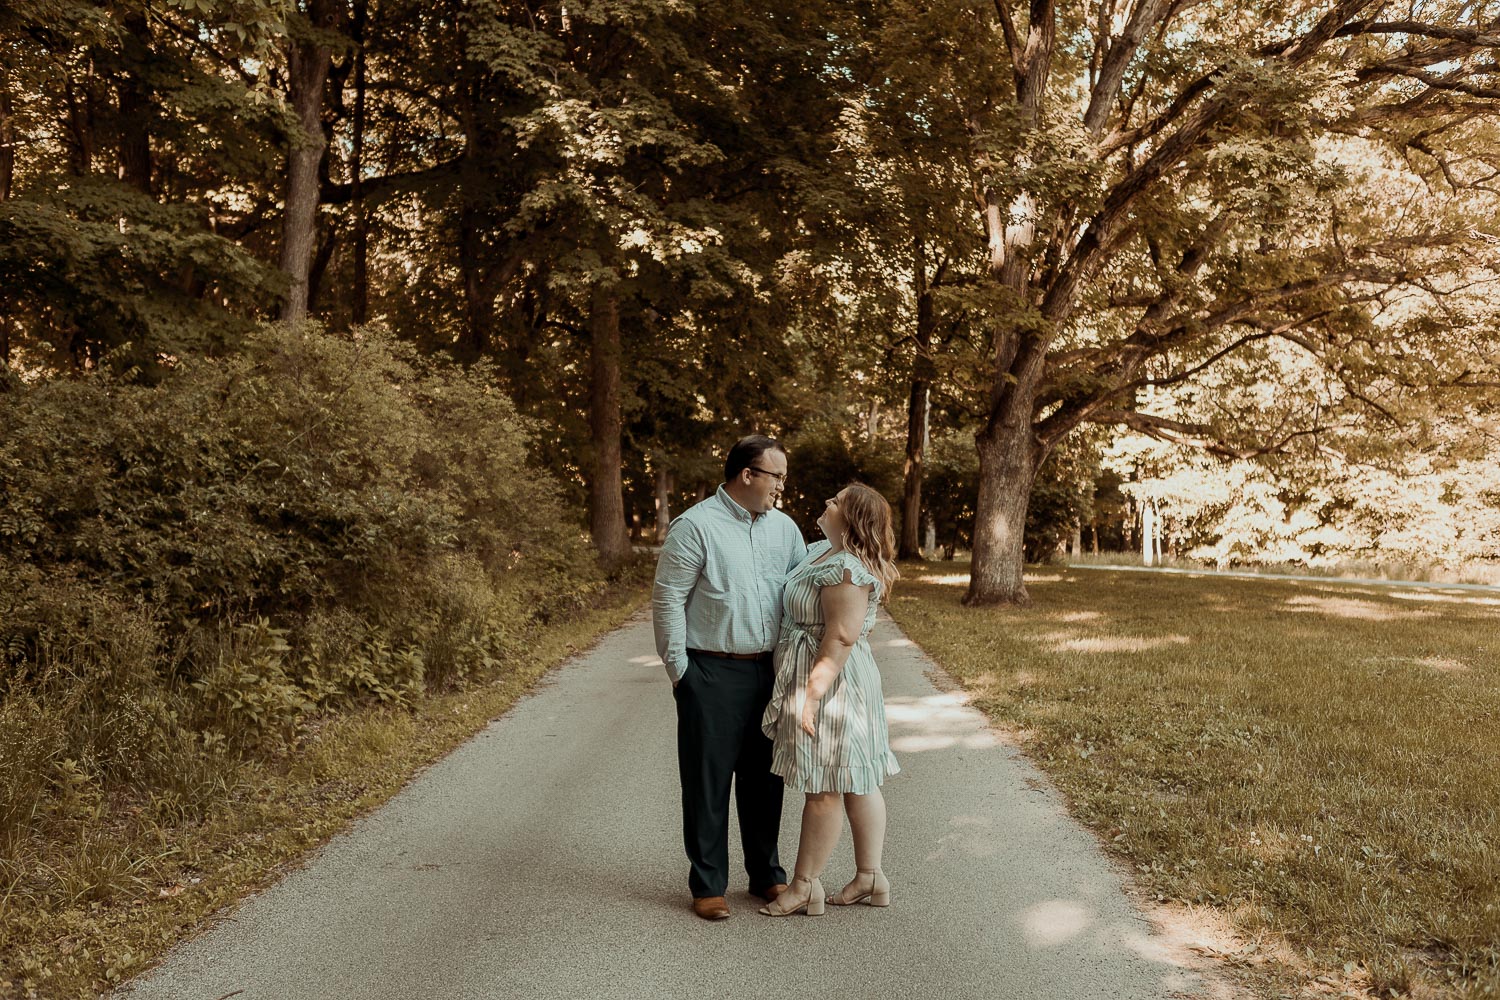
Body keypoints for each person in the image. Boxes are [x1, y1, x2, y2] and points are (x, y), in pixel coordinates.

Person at [652, 434, 808, 921]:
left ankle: (765, 874)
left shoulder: (785, 530)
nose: (782, 486)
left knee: (766, 779)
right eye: (777, 476)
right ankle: (708, 884)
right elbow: (668, 600)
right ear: (748, 475)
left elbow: (803, 594)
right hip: (711, 670)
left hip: (771, 670)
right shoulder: (696, 526)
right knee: (708, 779)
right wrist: (682, 672)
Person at [758, 483, 900, 917]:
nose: (827, 503)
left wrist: (811, 696)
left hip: (832, 683)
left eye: (836, 502)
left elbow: (840, 636)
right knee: (857, 779)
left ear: (852, 518)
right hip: (831, 678)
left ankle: (804, 886)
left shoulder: (847, 569)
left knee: (823, 786)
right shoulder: (822, 549)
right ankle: (870, 876)